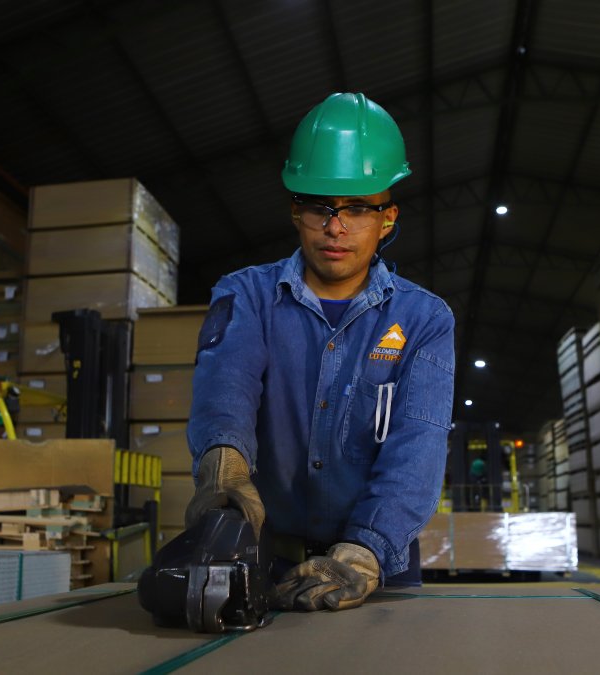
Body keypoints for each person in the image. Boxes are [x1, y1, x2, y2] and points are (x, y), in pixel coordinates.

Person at [185, 93, 456, 612]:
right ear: (296, 211)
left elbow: (418, 444)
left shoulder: (425, 319)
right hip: (262, 560)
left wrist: (366, 552)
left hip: (377, 569)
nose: (335, 227)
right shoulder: (247, 295)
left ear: (388, 217)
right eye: (319, 207)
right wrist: (224, 464)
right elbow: (227, 384)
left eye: (357, 208)